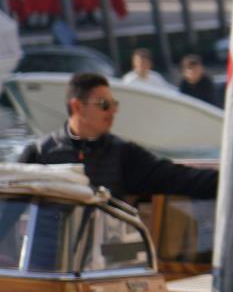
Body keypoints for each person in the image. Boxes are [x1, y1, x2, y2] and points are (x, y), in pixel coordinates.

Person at [16, 72, 218, 202]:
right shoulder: (39, 154)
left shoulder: (124, 154)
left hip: (105, 263)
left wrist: (231, 180)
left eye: (114, 105)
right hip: (46, 264)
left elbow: (177, 178)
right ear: (77, 107)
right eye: (104, 105)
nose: (112, 111)